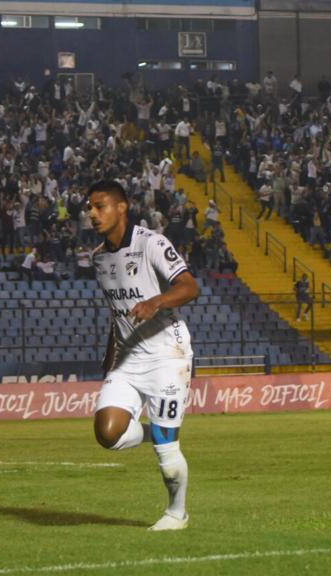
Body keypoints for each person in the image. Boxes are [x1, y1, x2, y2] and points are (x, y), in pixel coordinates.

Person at [86, 180, 200, 531]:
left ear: (121, 208)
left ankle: (176, 513)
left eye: (99, 206)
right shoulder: (99, 257)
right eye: (89, 208)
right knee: (108, 433)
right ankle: (160, 431)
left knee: (167, 459)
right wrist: (111, 356)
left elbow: (190, 287)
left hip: (168, 353)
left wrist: (155, 302)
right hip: (129, 357)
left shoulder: (151, 243)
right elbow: (117, 311)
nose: (92, 214)